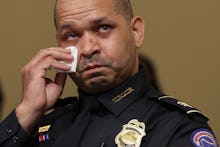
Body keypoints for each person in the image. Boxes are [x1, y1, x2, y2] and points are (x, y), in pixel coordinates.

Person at [0, 0, 218, 146]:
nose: (87, 48)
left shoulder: (174, 127)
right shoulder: (43, 125)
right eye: (71, 35)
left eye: (103, 28)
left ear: (136, 32)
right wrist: (27, 112)